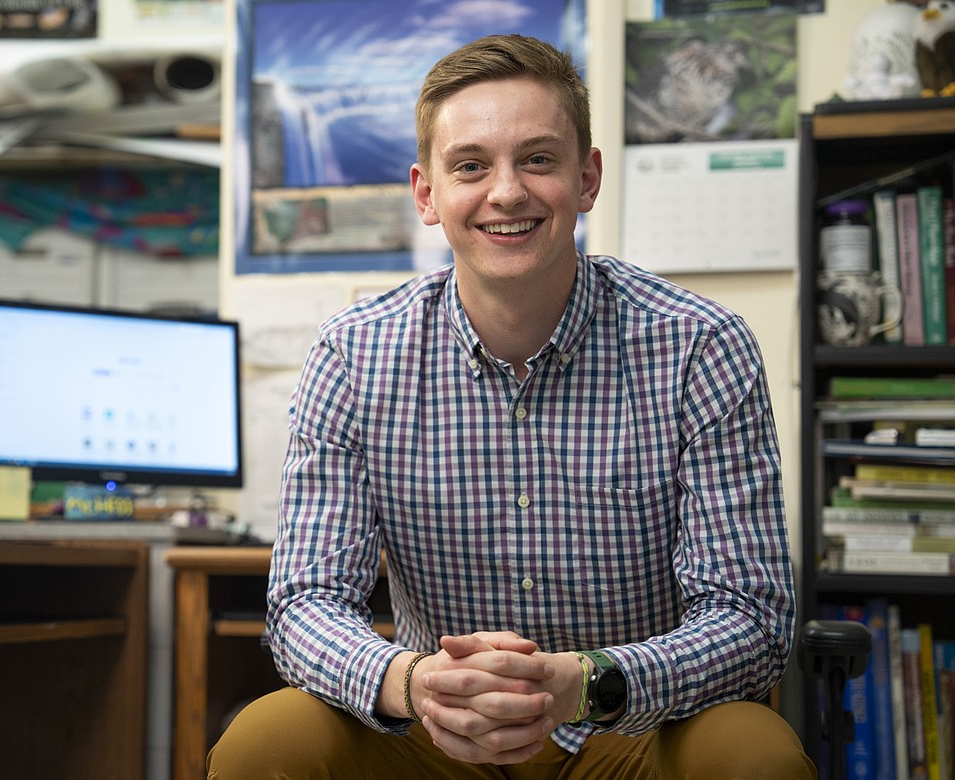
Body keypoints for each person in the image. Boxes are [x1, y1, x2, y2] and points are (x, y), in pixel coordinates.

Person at [209, 33, 814, 779]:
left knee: (754, 754)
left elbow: (750, 618)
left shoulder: (700, 346)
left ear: (586, 178)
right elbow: (305, 602)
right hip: (434, 732)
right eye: (470, 165)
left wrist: (580, 682)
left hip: (629, 730)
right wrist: (414, 683)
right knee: (265, 743)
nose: (506, 192)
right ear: (427, 194)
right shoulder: (354, 354)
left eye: (537, 158)